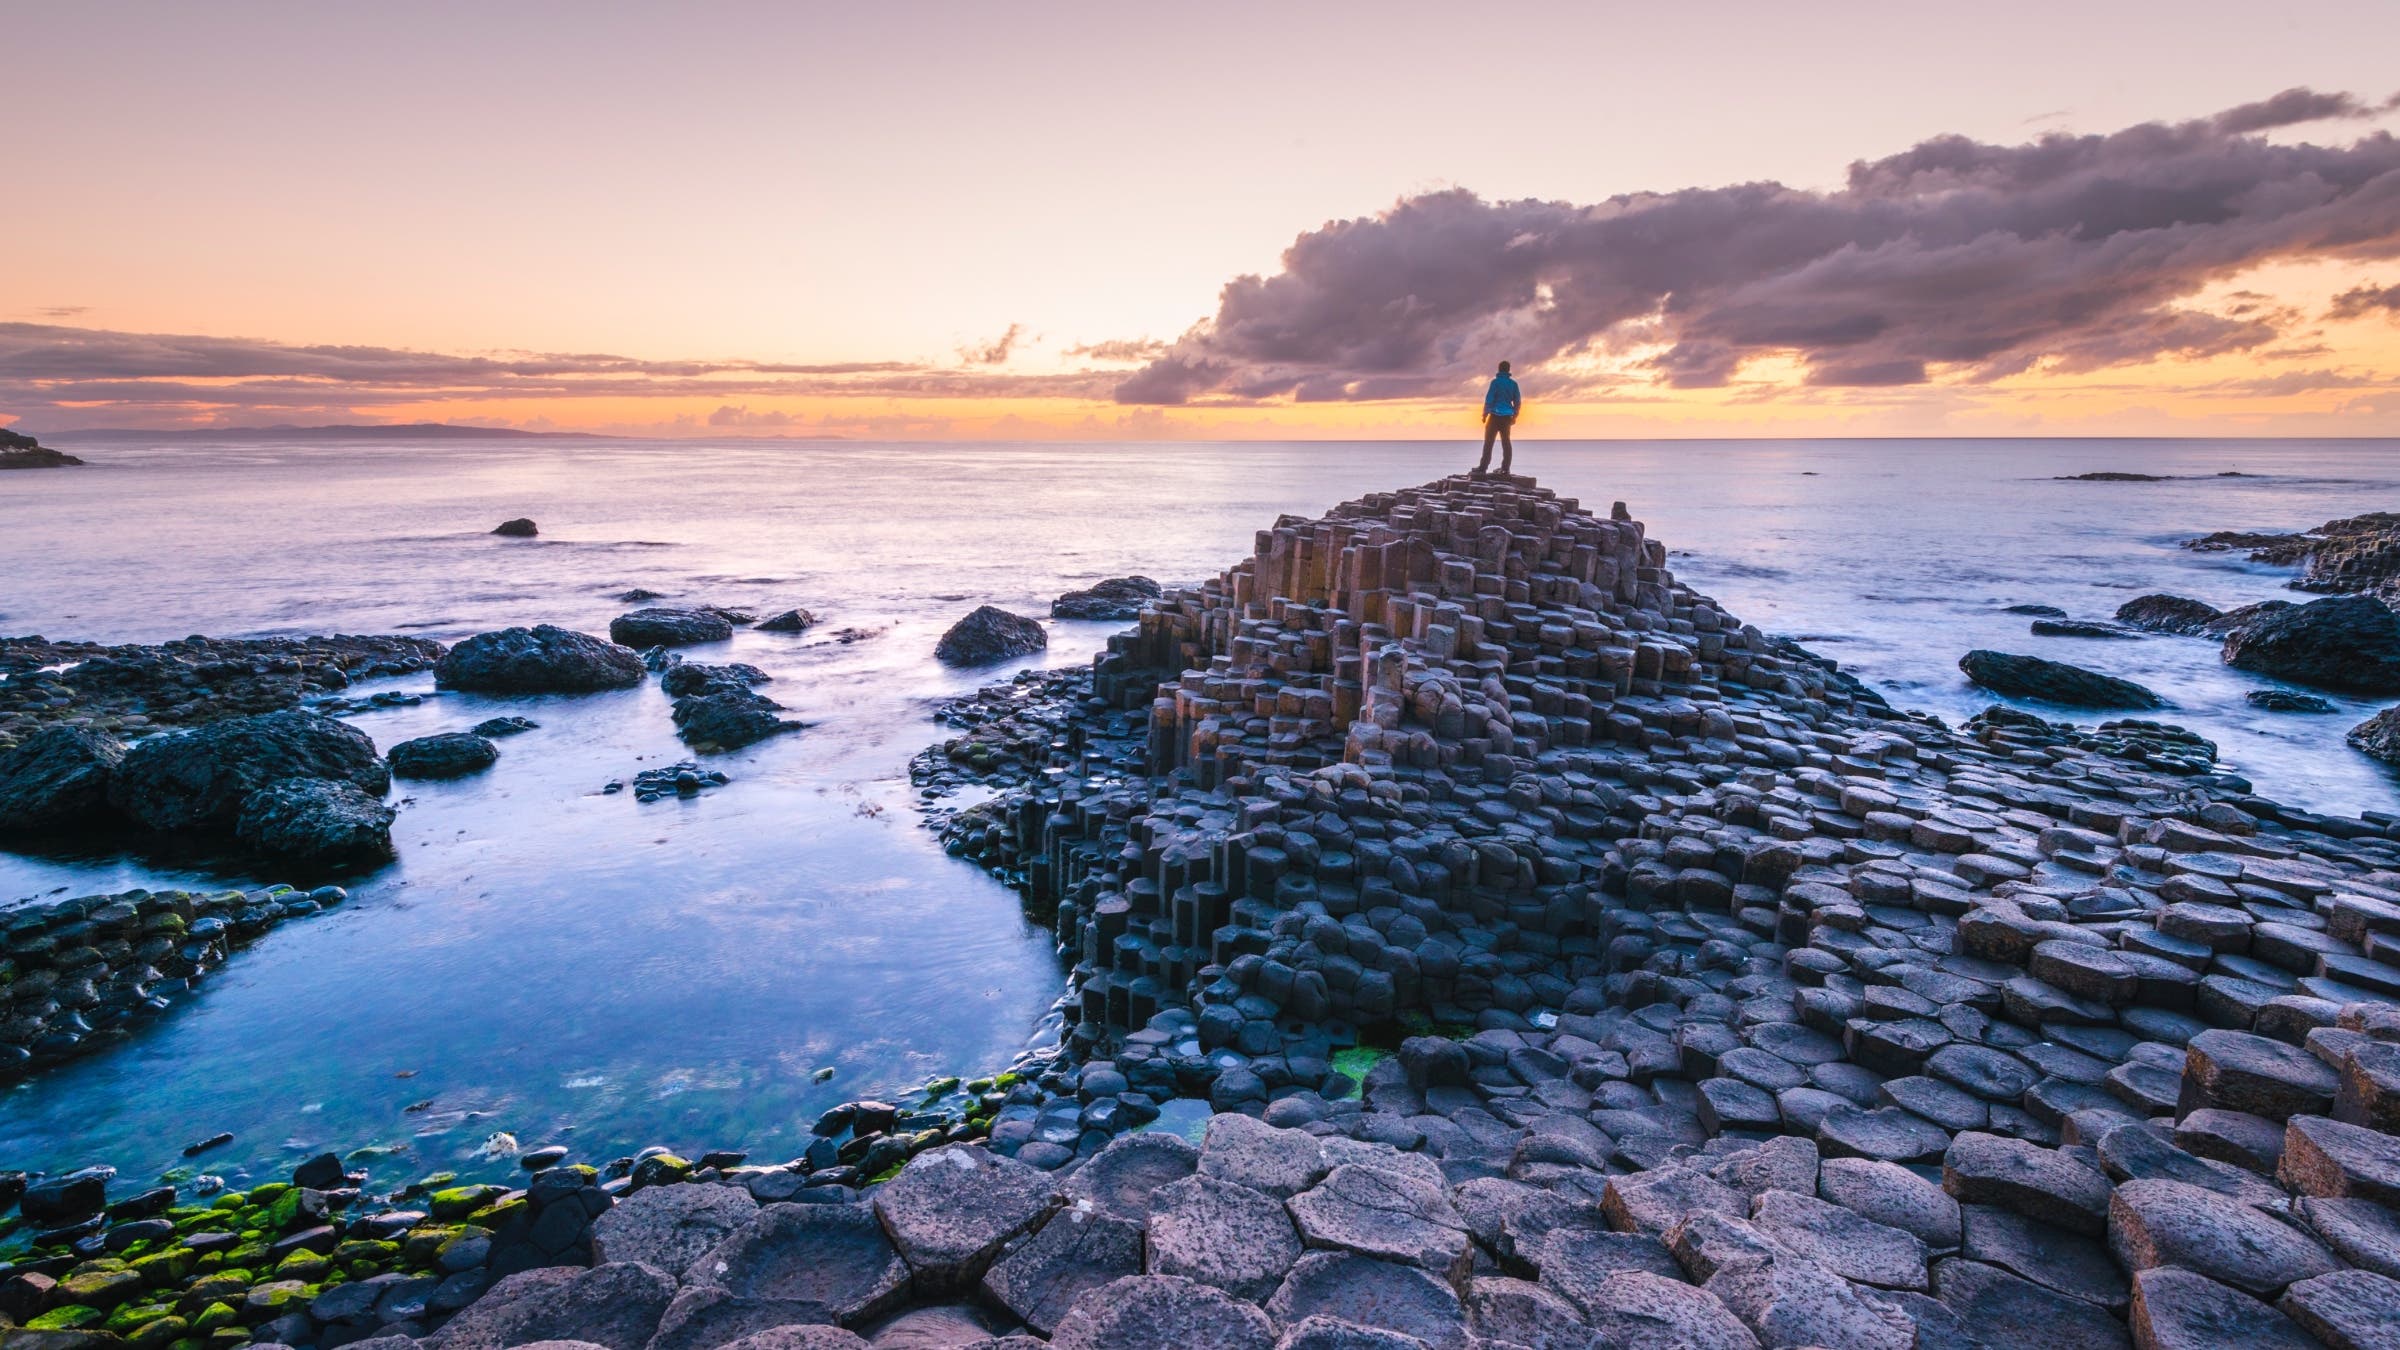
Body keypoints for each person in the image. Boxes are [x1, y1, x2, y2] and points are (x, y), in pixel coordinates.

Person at [1475, 361, 1521, 477]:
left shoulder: (1495, 383)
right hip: (1506, 417)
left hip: (1494, 416)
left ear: (1499, 369)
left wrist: (1485, 414)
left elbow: (1489, 398)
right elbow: (1517, 401)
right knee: (1506, 443)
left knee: (1488, 443)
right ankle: (1506, 469)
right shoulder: (1513, 384)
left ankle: (1483, 468)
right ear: (1508, 370)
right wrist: (1515, 415)